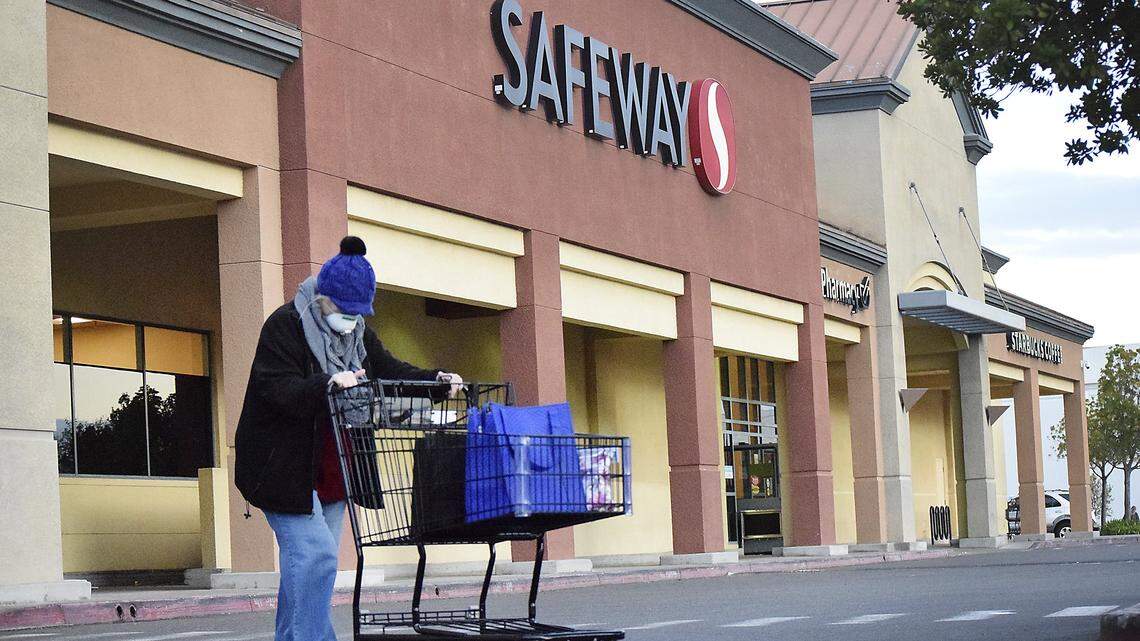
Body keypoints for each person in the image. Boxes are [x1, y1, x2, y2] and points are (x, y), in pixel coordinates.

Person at [234, 236, 462, 641]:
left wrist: (435, 382)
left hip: (334, 469)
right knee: (316, 558)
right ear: (323, 297)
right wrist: (327, 384)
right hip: (283, 470)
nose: (352, 320)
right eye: (344, 311)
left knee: (304, 569)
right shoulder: (285, 326)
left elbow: (389, 371)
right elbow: (277, 389)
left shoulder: (356, 336)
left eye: (359, 314)